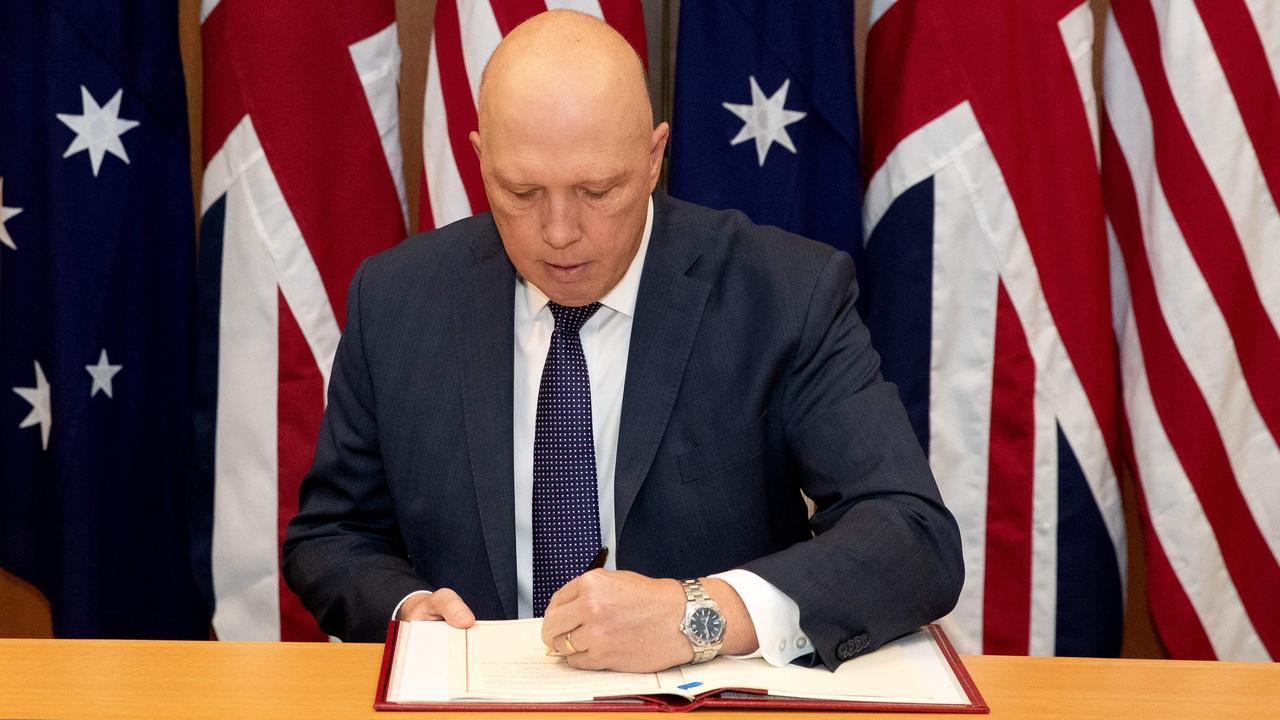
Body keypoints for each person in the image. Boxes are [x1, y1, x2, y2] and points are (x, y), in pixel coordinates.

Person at [282, 10, 962, 673]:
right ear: (480, 158)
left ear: (655, 155)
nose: (558, 231)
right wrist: (406, 611)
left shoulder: (782, 293)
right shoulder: (398, 298)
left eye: (596, 190)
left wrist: (701, 613)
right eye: (520, 191)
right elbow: (332, 537)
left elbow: (912, 537)